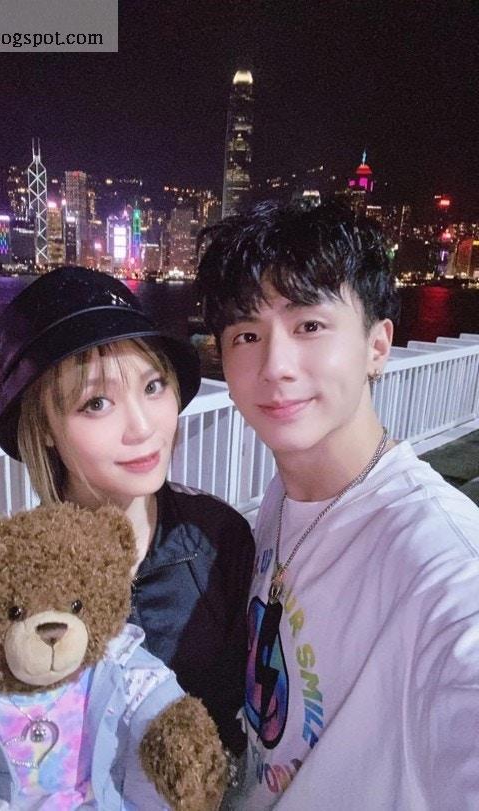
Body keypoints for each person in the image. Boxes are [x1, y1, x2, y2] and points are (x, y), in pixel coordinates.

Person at [195, 202, 479, 810]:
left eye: (309, 326)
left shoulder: (446, 566)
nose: (275, 367)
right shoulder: (285, 494)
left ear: (377, 345)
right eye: (247, 335)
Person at [0, 265, 254, 756]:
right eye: (96, 403)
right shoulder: (8, 577)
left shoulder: (220, 540)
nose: (142, 427)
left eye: (153, 387)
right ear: (43, 427)